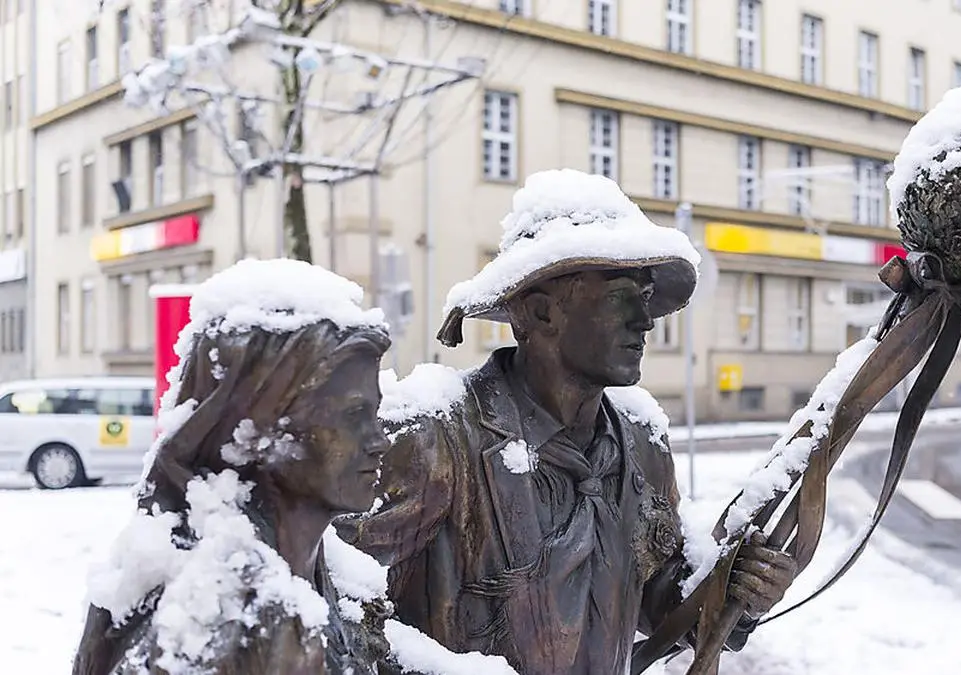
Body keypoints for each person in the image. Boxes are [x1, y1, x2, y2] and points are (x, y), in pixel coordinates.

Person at [337, 169, 798, 675]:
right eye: (622, 296)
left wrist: (732, 591)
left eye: (645, 300)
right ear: (540, 311)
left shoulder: (641, 443)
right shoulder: (434, 438)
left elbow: (657, 596)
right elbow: (337, 603)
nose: (645, 322)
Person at [72, 259, 396, 675]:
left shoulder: (325, 575)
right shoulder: (219, 617)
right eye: (353, 416)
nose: (379, 441)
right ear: (254, 430)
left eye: (375, 414)